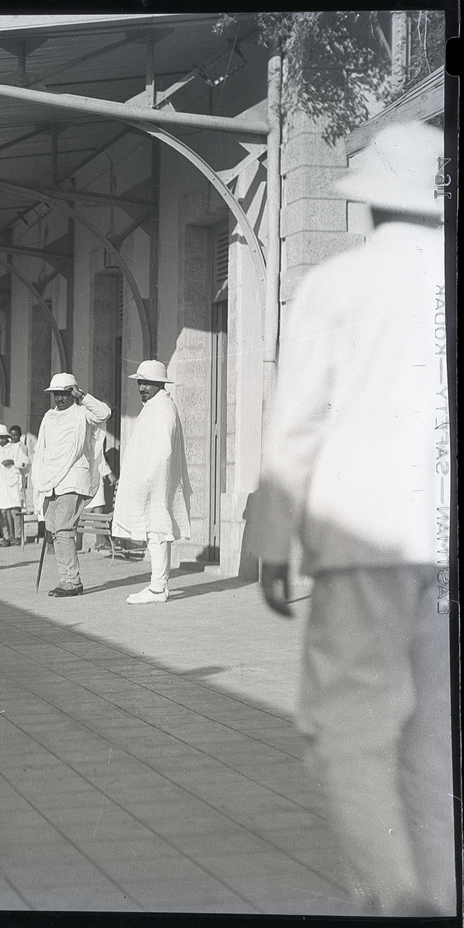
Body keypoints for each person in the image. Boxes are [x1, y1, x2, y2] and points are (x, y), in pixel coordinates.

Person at [248, 123, 452, 917]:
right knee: (435, 738)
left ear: (365, 203)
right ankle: (440, 892)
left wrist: (272, 546)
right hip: (441, 535)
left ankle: (397, 896)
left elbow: (295, 423)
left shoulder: (336, 286)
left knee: (350, 727)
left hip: (360, 534)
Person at [111, 360, 191, 603]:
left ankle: (158, 587)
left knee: (157, 531)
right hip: (151, 481)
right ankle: (158, 585)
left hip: (156, 482)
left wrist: (149, 479)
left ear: (159, 384)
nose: (141, 387)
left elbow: (163, 451)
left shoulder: (164, 409)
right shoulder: (153, 407)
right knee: (153, 531)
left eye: (146, 383)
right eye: (140, 382)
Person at [30, 373, 111, 596]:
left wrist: (82, 397)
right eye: (56, 394)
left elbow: (104, 413)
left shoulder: (83, 412)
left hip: (73, 478)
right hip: (52, 479)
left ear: (72, 393)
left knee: (64, 529)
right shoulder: (49, 417)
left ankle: (72, 582)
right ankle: (66, 578)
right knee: (55, 530)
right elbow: (43, 449)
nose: (60, 399)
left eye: (65, 394)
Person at [0, 425, 28, 547]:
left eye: (3, 438)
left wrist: (13, 462)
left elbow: (26, 462)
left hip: (13, 483)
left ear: (7, 437)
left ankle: (17, 536)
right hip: (0, 484)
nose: (1, 441)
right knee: (3, 512)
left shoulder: (16, 448)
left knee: (14, 511)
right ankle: (6, 537)